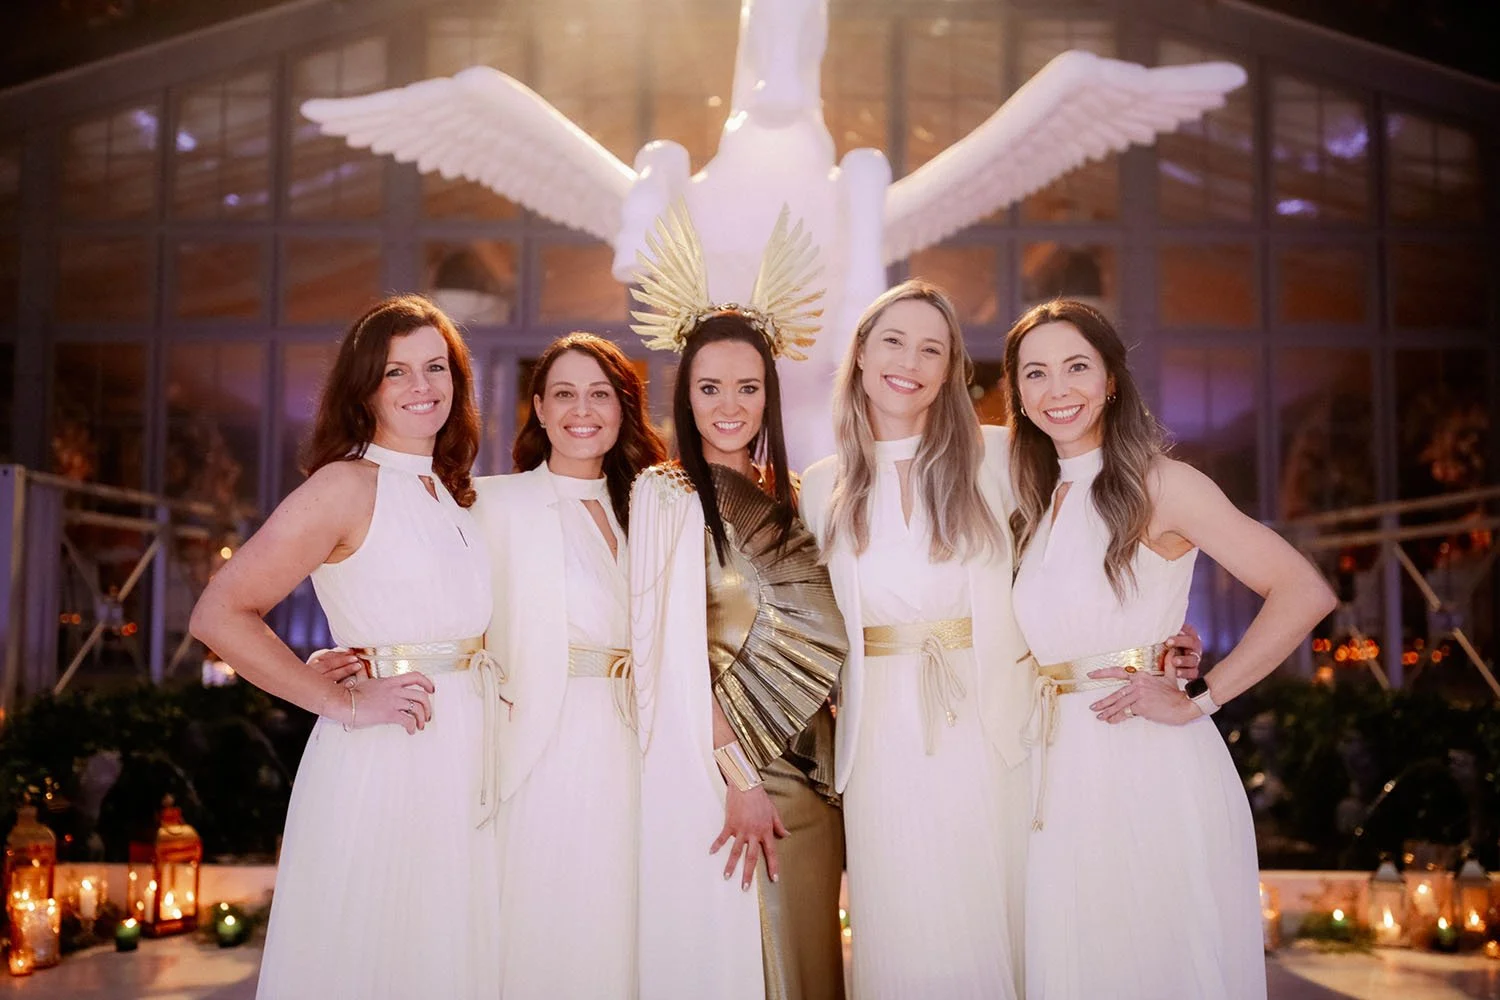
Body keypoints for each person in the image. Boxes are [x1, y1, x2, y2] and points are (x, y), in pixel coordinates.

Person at [1004, 299, 1335, 1000]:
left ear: (1110, 381)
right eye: (1036, 373)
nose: (1057, 389)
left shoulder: (1162, 484)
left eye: (1076, 367)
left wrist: (1201, 698)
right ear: (1019, 395)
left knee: (1153, 959)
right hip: (1058, 767)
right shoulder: (1038, 499)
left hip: (1144, 760)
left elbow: (1302, 590)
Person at [189, 294, 504, 999]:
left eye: (436, 368)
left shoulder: (450, 492)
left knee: (449, 957)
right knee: (384, 956)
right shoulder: (345, 485)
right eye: (397, 372)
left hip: (468, 753)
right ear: (364, 388)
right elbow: (219, 613)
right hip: (391, 754)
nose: (422, 386)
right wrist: (338, 700)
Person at [628, 205, 848, 999]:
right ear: (684, 395)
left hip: (817, 775)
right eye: (710, 387)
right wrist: (739, 776)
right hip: (728, 774)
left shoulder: (798, 495)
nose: (730, 405)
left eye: (748, 387)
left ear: (770, 395)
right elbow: (667, 657)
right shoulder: (664, 495)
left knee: (811, 965)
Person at [799, 279, 1031, 999]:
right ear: (862, 355)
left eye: (932, 349)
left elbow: (1081, 541)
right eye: (893, 341)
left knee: (992, 908)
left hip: (988, 716)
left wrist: (1152, 629)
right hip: (879, 732)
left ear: (951, 368)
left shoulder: (1002, 457)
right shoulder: (822, 486)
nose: (910, 361)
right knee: (902, 915)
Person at [480, 332, 665, 998]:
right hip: (545, 737)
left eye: (599, 394)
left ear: (623, 407)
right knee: (550, 910)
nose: (581, 410)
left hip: (641, 740)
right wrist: (364, 652)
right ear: (538, 407)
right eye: (563, 393)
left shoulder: (652, 507)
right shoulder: (494, 503)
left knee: (627, 914)